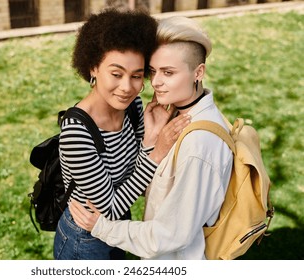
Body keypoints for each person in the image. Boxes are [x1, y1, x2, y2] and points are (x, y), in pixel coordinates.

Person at [69, 16, 234, 260]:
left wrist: (102, 227)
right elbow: (134, 190)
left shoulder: (197, 144)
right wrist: (152, 144)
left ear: (198, 72)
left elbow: (168, 234)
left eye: (168, 72)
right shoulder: (174, 116)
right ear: (93, 67)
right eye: (153, 71)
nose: (155, 83)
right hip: (86, 236)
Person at [54, 10, 191, 260]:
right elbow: (111, 208)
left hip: (118, 229)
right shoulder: (77, 132)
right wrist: (157, 150)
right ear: (93, 67)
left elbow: (139, 187)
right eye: (116, 74)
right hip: (85, 238)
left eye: (137, 76)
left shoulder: (135, 109)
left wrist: (150, 137)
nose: (127, 88)